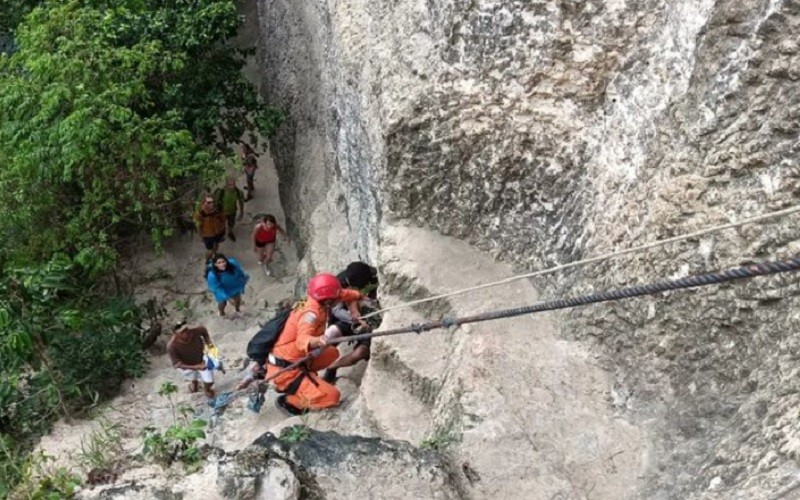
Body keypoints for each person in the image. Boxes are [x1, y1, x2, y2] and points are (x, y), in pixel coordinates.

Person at [267, 273, 364, 415]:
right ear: (328, 302)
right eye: (334, 299)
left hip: (295, 358)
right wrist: (317, 340)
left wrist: (358, 300)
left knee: (332, 353)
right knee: (332, 398)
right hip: (286, 369)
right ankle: (290, 401)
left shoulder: (321, 299)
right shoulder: (310, 314)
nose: (338, 299)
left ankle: (308, 381)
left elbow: (345, 295)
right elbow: (302, 341)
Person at [322, 262, 381, 384]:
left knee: (361, 352)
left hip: (371, 324)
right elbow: (341, 307)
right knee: (332, 333)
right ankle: (319, 360)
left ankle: (333, 366)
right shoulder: (342, 284)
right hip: (351, 318)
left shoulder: (371, 280)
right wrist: (356, 318)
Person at [167, 321, 216, 397]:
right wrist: (196, 367)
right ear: (176, 334)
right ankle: (194, 383)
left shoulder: (195, 331)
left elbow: (203, 330)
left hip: (201, 358)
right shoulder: (172, 346)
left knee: (210, 381)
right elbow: (177, 364)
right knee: (192, 376)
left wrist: (208, 342)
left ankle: (207, 389)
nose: (186, 333)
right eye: (182, 332)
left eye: (186, 329)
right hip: (186, 365)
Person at [207, 253, 250, 317]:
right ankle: (221, 312)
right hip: (222, 289)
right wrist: (228, 298)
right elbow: (216, 288)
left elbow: (239, 271)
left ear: (226, 261)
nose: (222, 264)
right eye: (219, 263)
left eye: (223, 261)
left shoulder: (233, 263)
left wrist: (243, 278)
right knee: (222, 303)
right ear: (215, 264)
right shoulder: (212, 275)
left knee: (237, 299)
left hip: (233, 285)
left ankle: (237, 310)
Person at [194, 195, 227, 260]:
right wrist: (201, 236)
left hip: (218, 232)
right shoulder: (200, 214)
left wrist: (222, 228)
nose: (211, 204)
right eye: (208, 202)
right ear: (203, 203)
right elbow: (199, 226)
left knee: (216, 244)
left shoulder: (218, 211)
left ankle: (214, 253)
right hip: (208, 235)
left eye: (212, 202)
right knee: (209, 250)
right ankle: (208, 261)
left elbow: (223, 220)